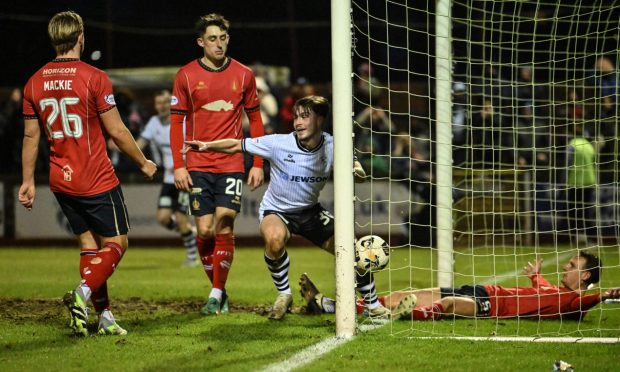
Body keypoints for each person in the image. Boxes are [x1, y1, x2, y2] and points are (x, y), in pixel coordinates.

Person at [183, 95, 391, 320]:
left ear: (320, 119)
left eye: (305, 117)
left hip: (311, 212)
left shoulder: (334, 146)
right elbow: (236, 144)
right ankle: (284, 294)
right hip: (277, 211)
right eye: (296, 117)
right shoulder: (279, 143)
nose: (298, 123)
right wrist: (206, 145)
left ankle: (372, 305)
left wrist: (356, 172)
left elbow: (356, 168)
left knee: (352, 251)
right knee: (274, 240)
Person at [19, 11, 157, 336]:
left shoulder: (33, 82)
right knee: (117, 243)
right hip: (94, 177)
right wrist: (143, 162)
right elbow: (118, 132)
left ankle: (103, 317)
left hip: (59, 179)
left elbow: (30, 137)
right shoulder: (94, 77)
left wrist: (27, 180)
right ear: (80, 36)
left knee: (88, 245)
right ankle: (81, 295)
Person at [170, 13, 265, 316]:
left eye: (223, 38)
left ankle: (214, 293)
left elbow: (256, 120)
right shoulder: (185, 75)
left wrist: (258, 162)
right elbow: (176, 124)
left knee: (225, 219)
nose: (219, 44)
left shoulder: (244, 75)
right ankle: (219, 289)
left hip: (232, 161)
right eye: (212, 39)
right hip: (197, 163)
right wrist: (178, 165)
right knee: (206, 229)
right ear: (201, 42)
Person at [299, 251, 620, 321]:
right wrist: (535, 274)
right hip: (482, 290)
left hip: (491, 307)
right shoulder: (554, 291)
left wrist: (604, 295)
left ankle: (407, 315)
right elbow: (540, 286)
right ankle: (327, 305)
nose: (566, 266)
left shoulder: (572, 301)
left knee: (447, 304)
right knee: (404, 293)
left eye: (574, 266)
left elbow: (584, 303)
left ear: (587, 277)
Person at [135, 90, 198, 267]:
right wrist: (123, 146)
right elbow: (140, 143)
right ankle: (190, 234)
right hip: (168, 180)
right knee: (163, 218)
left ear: (172, 103)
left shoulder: (183, 122)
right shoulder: (154, 122)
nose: (162, 106)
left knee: (181, 218)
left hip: (185, 178)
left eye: (165, 102)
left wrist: (183, 163)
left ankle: (192, 258)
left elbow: (195, 146)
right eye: (158, 103)